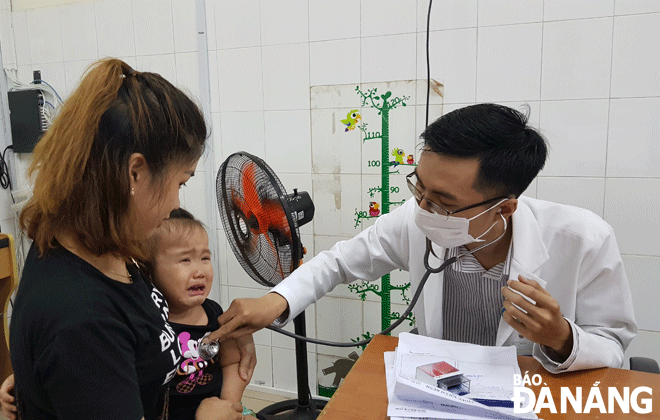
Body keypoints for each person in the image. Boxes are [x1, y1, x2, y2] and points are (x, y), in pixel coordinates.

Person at [204, 103, 637, 374]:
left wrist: (562, 336)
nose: (423, 208)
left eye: (443, 201)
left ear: (504, 206)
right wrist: (277, 301)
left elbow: (614, 346)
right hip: (439, 391)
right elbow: (338, 262)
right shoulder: (417, 219)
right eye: (419, 188)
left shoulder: (583, 239)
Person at [1, 58, 255, 420]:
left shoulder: (114, 252)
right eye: (180, 182)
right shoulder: (81, 321)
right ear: (135, 173)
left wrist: (228, 333)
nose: (175, 205)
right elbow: (83, 350)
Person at [142, 208, 253, 420]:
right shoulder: (151, 323)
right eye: (185, 260)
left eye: (204, 258)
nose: (200, 271)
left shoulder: (214, 313)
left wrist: (228, 405)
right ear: (150, 269)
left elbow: (231, 361)